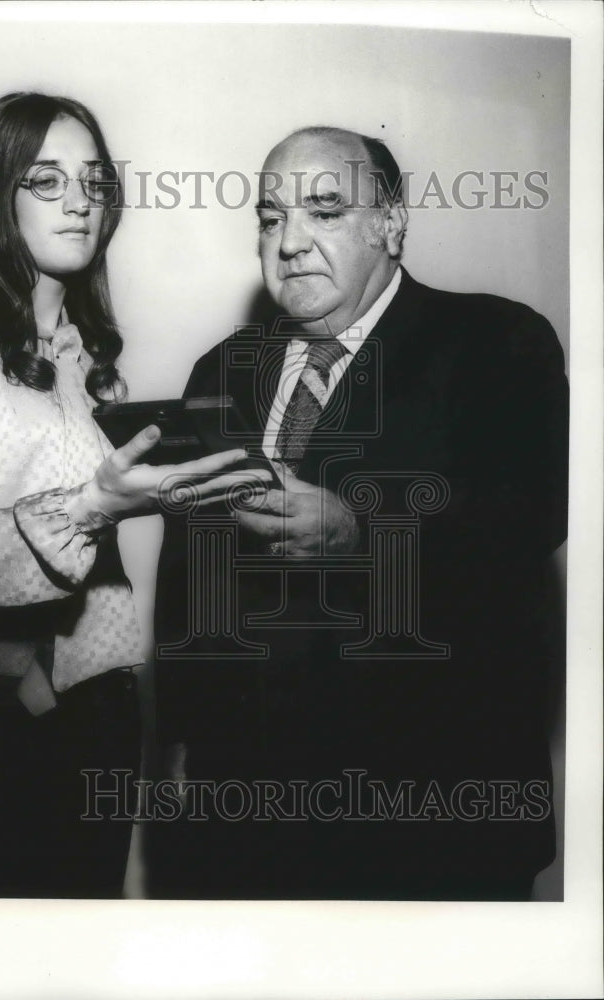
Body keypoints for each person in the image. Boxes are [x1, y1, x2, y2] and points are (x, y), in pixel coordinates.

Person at [151, 127, 569, 900]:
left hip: (430, 814)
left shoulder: (495, 342)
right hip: (248, 818)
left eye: (324, 211)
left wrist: (357, 532)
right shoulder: (220, 369)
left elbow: (532, 515)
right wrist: (179, 738)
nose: (290, 242)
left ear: (391, 223)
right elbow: (189, 570)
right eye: (271, 217)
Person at [0, 92, 263, 898]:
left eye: (93, 179)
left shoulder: (93, 359)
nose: (80, 199)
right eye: (46, 179)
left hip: (103, 712)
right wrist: (93, 505)